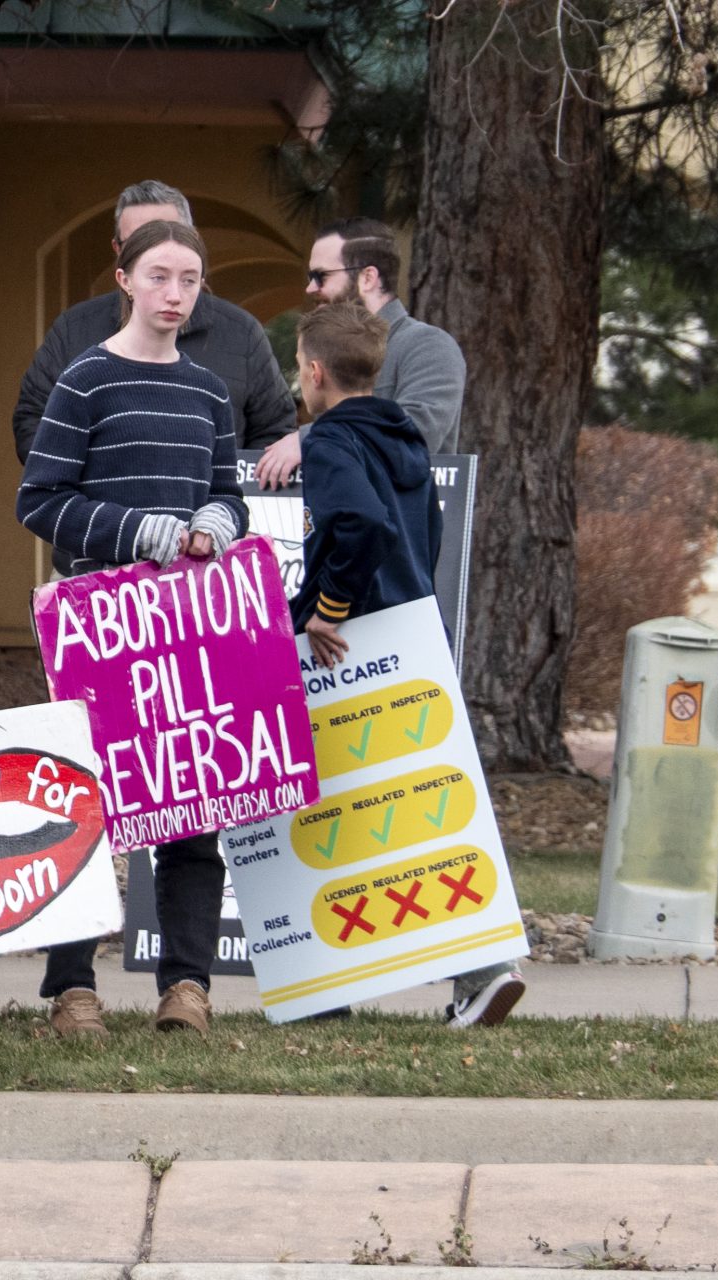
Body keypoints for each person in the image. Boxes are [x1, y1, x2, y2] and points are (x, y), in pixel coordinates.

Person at [16, 220, 249, 1038]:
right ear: (124, 279)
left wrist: (218, 522)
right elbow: (39, 501)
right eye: (159, 276)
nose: (175, 294)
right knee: (84, 809)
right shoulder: (84, 381)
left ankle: (187, 988)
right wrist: (137, 532)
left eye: (189, 279)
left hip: (186, 626)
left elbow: (230, 489)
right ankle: (71, 990)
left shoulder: (210, 392)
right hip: (98, 622)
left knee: (193, 806)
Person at [289, 302, 526, 1028]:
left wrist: (328, 606)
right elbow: (423, 528)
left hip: (351, 641)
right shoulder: (402, 436)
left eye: (298, 366)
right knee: (413, 816)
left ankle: (344, 983)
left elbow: (354, 521)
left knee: (339, 814)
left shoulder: (328, 442)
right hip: (410, 629)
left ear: (317, 371)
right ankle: (467, 970)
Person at [11, 180, 296, 470]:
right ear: (118, 252)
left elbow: (275, 433)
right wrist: (88, 487)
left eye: (167, 236)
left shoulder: (241, 333)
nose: (156, 250)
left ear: (193, 240)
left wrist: (226, 497)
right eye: (139, 241)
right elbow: (34, 419)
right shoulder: (75, 329)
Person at [256, 216, 468, 486]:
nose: (310, 288)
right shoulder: (331, 348)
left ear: (368, 277)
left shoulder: (428, 345)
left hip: (405, 523)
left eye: (321, 276)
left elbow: (415, 433)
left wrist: (309, 437)